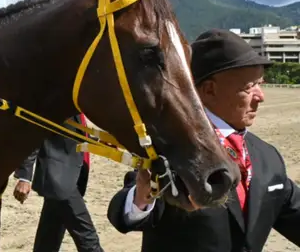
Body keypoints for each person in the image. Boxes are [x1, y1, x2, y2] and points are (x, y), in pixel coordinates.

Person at [106, 28, 300, 252]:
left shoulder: (267, 157)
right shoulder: (172, 151)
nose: (261, 96)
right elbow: (124, 214)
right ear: (209, 90)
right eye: (249, 87)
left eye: (261, 83)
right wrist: (140, 198)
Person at [12, 114, 104, 252]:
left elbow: (68, 130)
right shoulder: (50, 100)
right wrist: (25, 176)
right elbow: (34, 132)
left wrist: (94, 139)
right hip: (59, 179)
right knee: (88, 239)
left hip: (67, 176)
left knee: (48, 242)